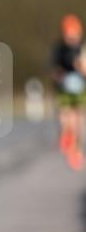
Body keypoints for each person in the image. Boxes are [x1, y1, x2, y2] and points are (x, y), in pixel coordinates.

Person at [50, 14, 86, 171]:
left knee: (78, 118)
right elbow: (53, 68)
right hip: (64, 88)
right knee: (65, 116)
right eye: (67, 34)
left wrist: (80, 67)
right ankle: (66, 135)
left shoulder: (82, 48)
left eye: (73, 34)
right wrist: (60, 76)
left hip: (80, 88)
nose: (70, 38)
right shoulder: (60, 49)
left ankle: (76, 150)